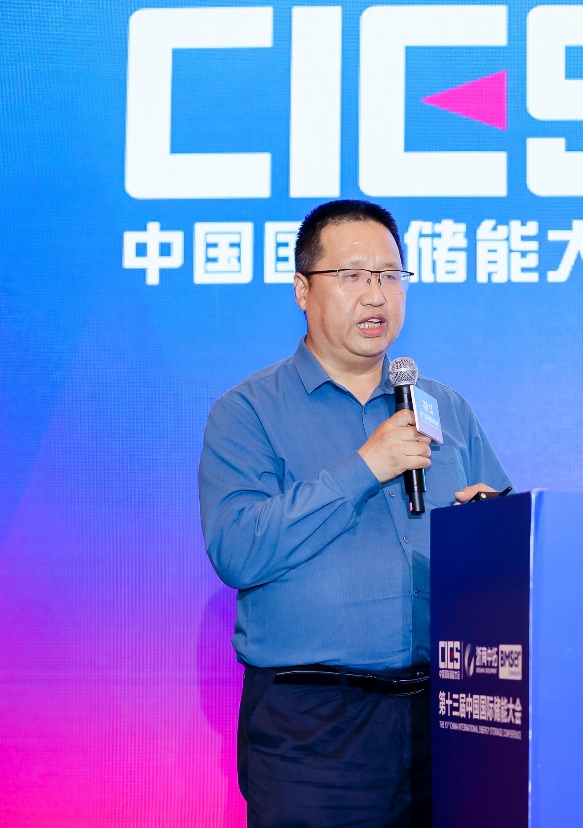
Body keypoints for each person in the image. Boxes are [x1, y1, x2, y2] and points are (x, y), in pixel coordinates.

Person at [198, 199, 511, 827]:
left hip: (451, 714)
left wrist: (489, 528)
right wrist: (366, 467)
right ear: (302, 290)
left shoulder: (445, 408)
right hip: (314, 729)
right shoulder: (248, 412)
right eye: (352, 275)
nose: (376, 294)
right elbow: (238, 549)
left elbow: (505, 542)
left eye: (391, 276)